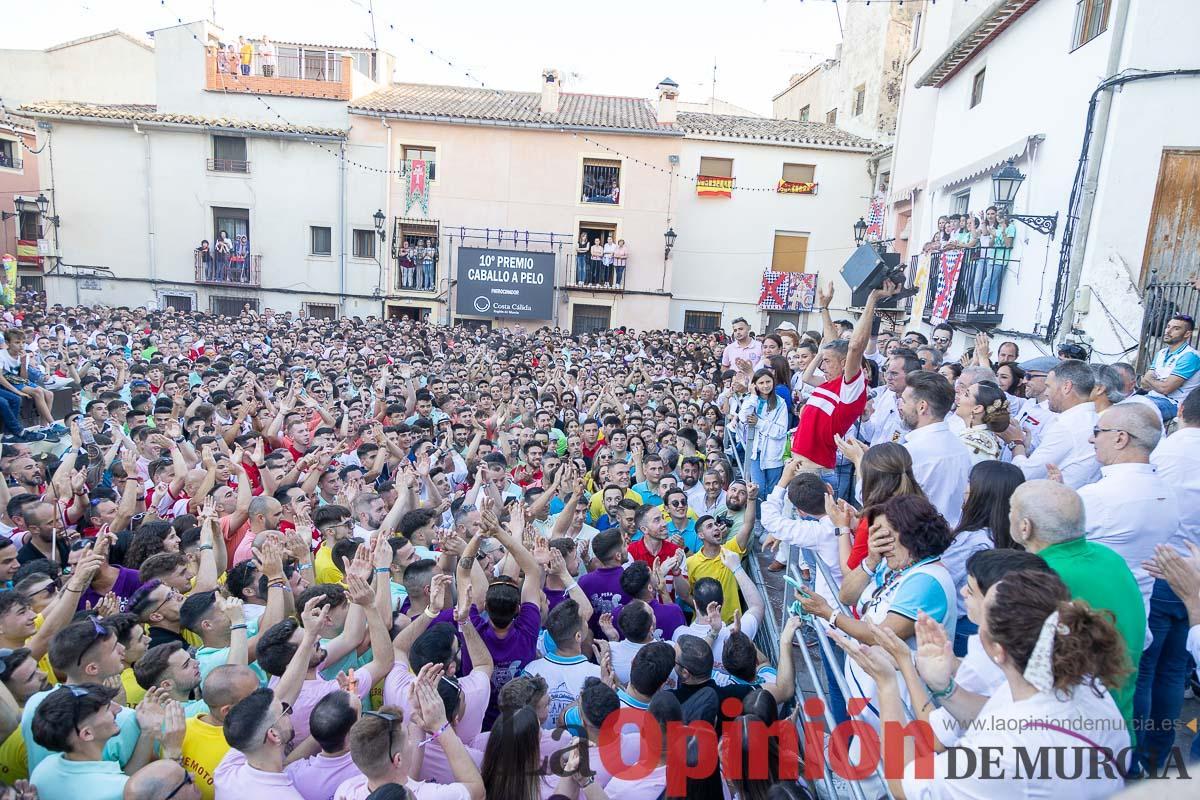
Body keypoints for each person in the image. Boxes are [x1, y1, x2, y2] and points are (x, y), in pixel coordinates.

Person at [845, 569, 1128, 800]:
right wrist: (944, 686)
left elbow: (902, 784)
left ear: (996, 650)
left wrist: (887, 686)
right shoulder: (1080, 682)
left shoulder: (1002, 754)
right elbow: (988, 716)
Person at [803, 495, 957, 731]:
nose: (880, 543)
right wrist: (872, 559)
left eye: (885, 536)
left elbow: (881, 636)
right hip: (868, 700)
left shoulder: (927, 581)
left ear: (911, 533)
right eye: (876, 536)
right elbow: (847, 595)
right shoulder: (892, 561)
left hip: (898, 714)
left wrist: (829, 614)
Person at [1006, 480, 1143, 739]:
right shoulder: (1109, 557)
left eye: (1011, 510)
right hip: (1119, 721)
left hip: (1073, 733)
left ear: (1025, 527)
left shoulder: (1037, 577)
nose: (1007, 516)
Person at [943, 461, 1024, 654]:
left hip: (962, 629)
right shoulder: (1011, 536)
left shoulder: (974, 542)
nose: (965, 489)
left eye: (970, 483)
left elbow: (942, 579)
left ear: (982, 494)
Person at [1006, 359, 1100, 488]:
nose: (1046, 393)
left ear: (1066, 387)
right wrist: (1026, 450)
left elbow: (1024, 474)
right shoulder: (1094, 419)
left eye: (1049, 386)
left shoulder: (1067, 426)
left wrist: (1016, 443)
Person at [897, 371, 971, 527]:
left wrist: (861, 461)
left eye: (903, 401)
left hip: (915, 539)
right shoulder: (961, 448)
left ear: (922, 406)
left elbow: (882, 501)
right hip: (948, 538)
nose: (900, 406)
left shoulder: (912, 452)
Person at [1139, 313, 1200, 422]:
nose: (1168, 331)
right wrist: (1155, 382)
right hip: (1151, 397)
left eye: (1176, 329)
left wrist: (1150, 380)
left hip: (1172, 403)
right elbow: (1144, 384)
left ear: (1187, 334)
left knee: (1134, 413)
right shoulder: (1162, 353)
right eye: (1168, 327)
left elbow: (1166, 388)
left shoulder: (1190, 357)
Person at [737, 369, 788, 496]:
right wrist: (753, 395)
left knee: (772, 491)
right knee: (757, 490)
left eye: (768, 382)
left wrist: (759, 423)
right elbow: (743, 417)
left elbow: (780, 431)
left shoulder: (780, 402)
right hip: (755, 452)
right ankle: (758, 516)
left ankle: (771, 516)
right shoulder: (750, 399)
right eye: (761, 383)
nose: (765, 386)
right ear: (755, 385)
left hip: (773, 453)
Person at [953, 380, 1009, 464]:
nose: (959, 397)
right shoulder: (986, 435)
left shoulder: (969, 445)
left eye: (966, 394)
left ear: (977, 408)